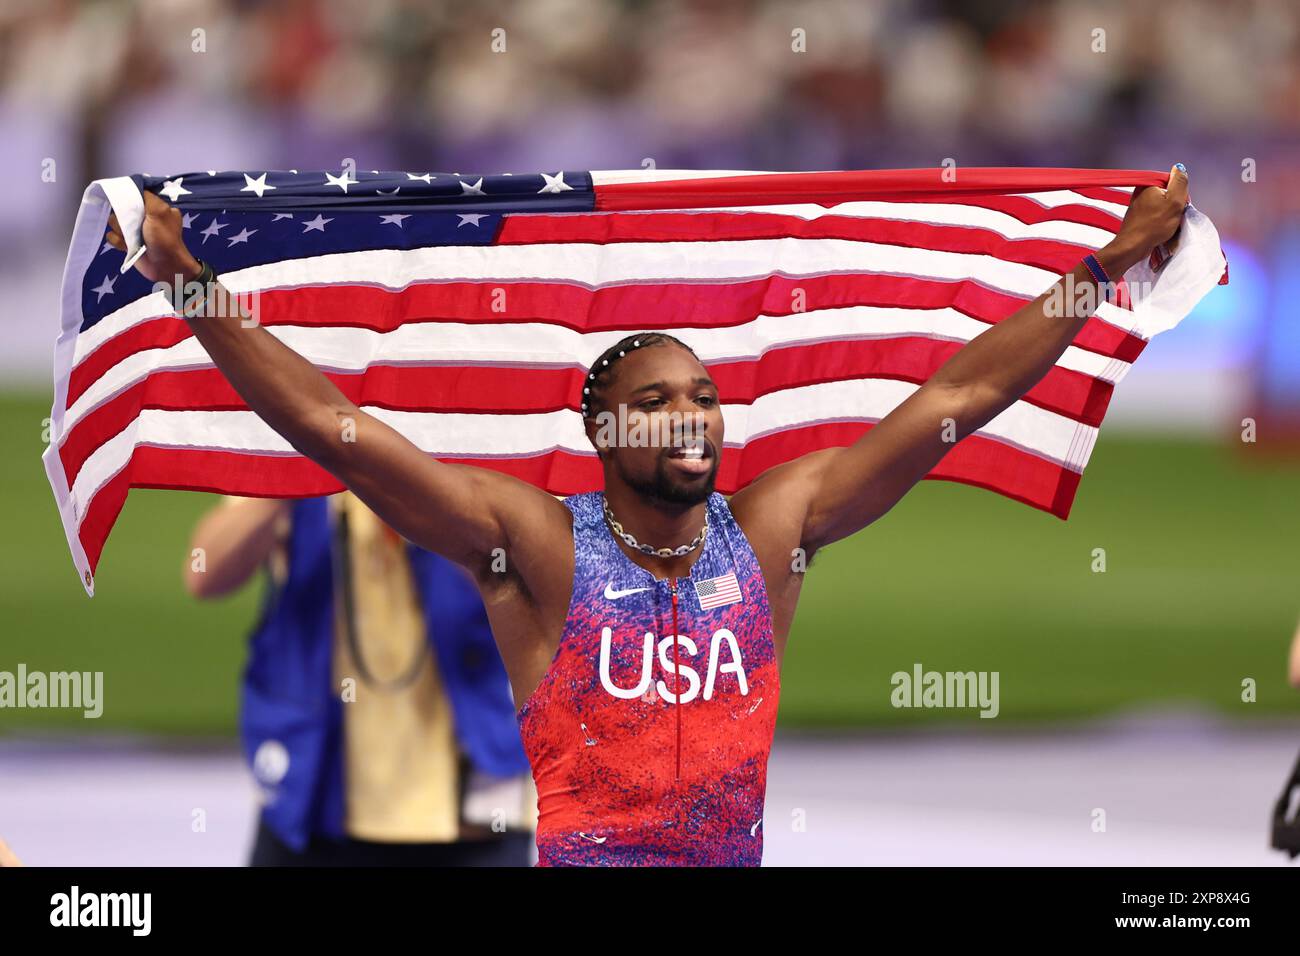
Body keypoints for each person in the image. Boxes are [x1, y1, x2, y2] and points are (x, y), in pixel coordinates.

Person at [104, 165, 1189, 866]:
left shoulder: (774, 530)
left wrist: (1101, 265)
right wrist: (190, 280)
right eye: (655, 401)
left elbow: (957, 399)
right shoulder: (535, 546)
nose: (690, 417)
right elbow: (333, 424)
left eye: (704, 396)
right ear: (602, 432)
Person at [186, 492, 536, 866]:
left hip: (474, 805)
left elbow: (529, 586)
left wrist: (428, 489)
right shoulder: (303, 441)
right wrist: (295, 474)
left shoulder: (482, 445)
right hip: (312, 800)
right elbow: (204, 574)